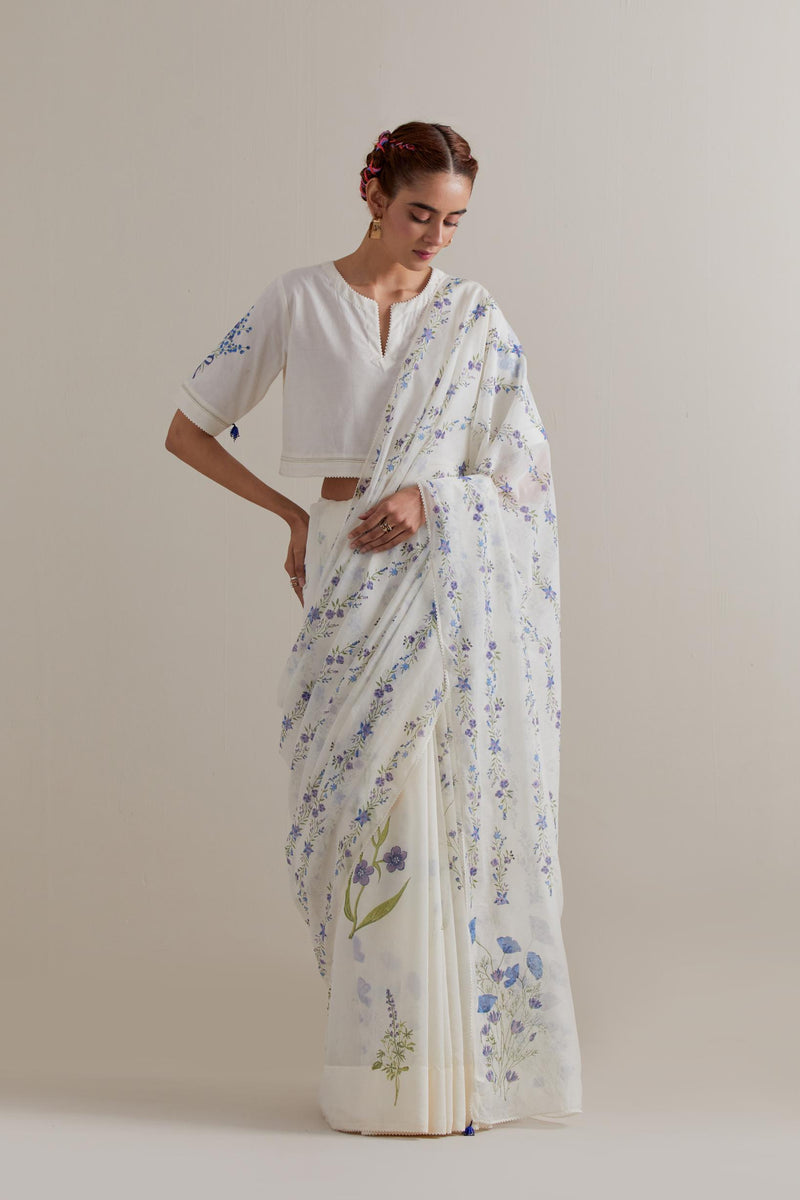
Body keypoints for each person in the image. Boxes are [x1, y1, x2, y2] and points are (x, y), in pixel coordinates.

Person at [165, 122, 583, 1137]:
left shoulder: (473, 319)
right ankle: (380, 1074)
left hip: (441, 584)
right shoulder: (298, 300)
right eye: (418, 213)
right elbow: (187, 428)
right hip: (346, 572)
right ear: (372, 195)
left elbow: (524, 471)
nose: (435, 236)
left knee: (434, 805)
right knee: (364, 814)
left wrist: (432, 498)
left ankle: (451, 1075)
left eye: (454, 221)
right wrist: (291, 519)